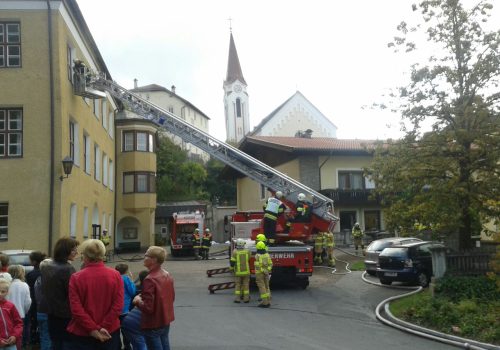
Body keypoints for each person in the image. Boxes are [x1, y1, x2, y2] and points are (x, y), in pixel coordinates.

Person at [66, 239, 123, 350]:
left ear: (85, 255)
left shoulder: (76, 277)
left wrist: (93, 329)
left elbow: (76, 309)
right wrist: (102, 327)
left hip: (83, 333)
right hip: (109, 332)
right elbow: (118, 306)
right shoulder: (115, 275)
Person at [41, 237, 79, 350]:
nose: (76, 252)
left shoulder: (48, 266)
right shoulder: (67, 269)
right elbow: (73, 294)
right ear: (65, 250)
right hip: (66, 316)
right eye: (74, 250)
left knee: (56, 344)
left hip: (51, 314)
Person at [133, 246, 175, 350]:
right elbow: (171, 297)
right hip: (165, 320)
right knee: (165, 345)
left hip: (153, 324)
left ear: (154, 260)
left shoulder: (149, 279)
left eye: (146, 255)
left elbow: (148, 308)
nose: (144, 257)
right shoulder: (167, 274)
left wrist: (138, 301)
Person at [6, 265, 31, 350]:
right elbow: (28, 302)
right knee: (19, 335)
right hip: (21, 313)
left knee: (8, 335)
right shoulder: (24, 285)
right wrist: (24, 311)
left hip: (7, 314)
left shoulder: (7, 285)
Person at [25, 251, 46, 348]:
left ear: (34, 262)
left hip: (33, 301)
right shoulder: (45, 273)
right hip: (44, 302)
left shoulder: (30, 274)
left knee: (34, 322)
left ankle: (34, 340)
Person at [115, 264, 135, 350]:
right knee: (125, 329)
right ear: (126, 271)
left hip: (115, 310)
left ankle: (117, 346)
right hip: (125, 309)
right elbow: (132, 292)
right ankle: (127, 345)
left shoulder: (114, 278)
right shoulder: (126, 279)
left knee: (115, 330)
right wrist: (132, 280)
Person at [0, 279, 23, 350]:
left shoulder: (11, 306)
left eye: (3, 291)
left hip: (11, 342)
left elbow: (19, 323)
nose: (0, 294)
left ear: (7, 292)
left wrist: (15, 336)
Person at [34, 260, 52, 350]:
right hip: (47, 312)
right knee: (47, 337)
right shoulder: (50, 280)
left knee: (43, 335)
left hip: (39, 310)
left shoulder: (38, 279)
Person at [229, 239, 250, 303]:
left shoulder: (235, 252)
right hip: (246, 272)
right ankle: (246, 299)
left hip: (238, 272)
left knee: (238, 285)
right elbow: (248, 258)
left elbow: (232, 262)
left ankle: (237, 299)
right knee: (246, 285)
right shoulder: (247, 251)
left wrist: (231, 269)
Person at [254, 241, 273, 308]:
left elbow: (257, 265)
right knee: (267, 286)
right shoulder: (267, 254)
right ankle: (268, 300)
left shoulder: (257, 256)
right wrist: (267, 270)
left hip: (260, 273)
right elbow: (271, 264)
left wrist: (262, 270)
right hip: (266, 273)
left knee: (262, 287)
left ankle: (265, 303)